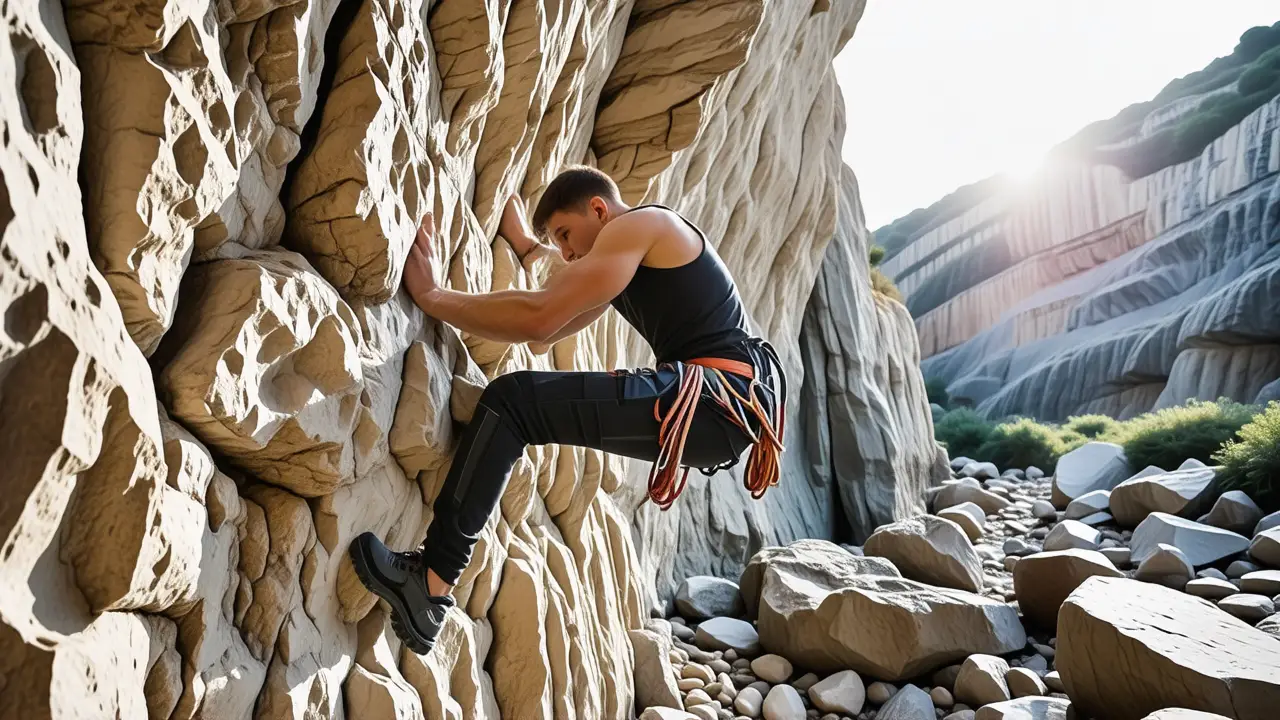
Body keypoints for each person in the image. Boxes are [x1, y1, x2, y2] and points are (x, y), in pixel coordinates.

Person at [349, 166, 787, 654]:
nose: (569, 252)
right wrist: (533, 248)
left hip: (709, 397)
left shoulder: (638, 227)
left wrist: (433, 296)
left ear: (599, 209)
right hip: (720, 412)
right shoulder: (629, 255)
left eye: (565, 234)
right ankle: (431, 588)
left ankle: (429, 586)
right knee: (518, 404)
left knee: (512, 402)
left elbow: (540, 318)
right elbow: (551, 333)